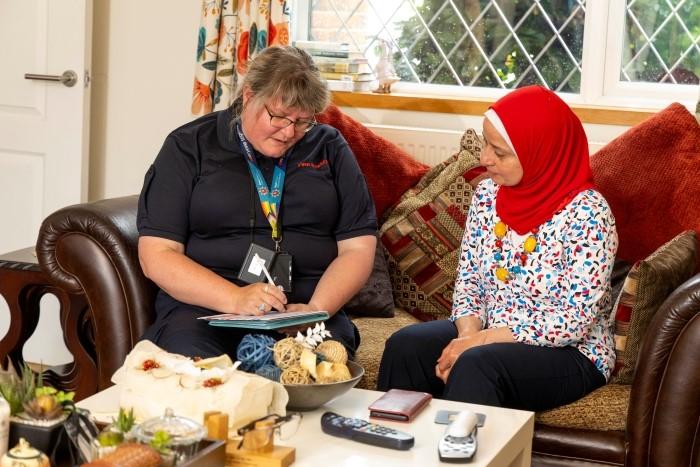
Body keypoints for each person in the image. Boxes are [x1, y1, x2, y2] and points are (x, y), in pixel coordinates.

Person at [377, 86, 618, 411]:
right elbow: (469, 281)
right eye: (486, 142)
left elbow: (572, 321)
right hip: (489, 331)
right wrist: (467, 334)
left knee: (477, 365)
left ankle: (459, 460)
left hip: (572, 353)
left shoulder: (588, 213)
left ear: (539, 153)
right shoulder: (489, 194)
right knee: (405, 346)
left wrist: (478, 343)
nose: (484, 158)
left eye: (499, 151)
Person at [136, 46, 377, 361]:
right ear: (249, 96)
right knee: (197, 374)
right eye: (278, 116)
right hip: (206, 310)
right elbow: (157, 255)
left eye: (303, 121)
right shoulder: (189, 146)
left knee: (315, 371)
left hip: (306, 309)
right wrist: (235, 298)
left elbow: (357, 249)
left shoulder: (328, 147)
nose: (289, 132)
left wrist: (316, 310)